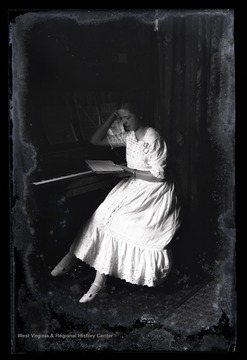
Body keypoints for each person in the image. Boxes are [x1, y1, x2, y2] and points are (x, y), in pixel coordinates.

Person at [51, 97, 181, 303]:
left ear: (141, 115)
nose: (124, 122)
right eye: (121, 118)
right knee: (101, 215)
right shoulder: (129, 136)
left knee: (118, 222)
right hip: (134, 185)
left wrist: (130, 171)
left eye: (127, 117)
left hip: (153, 191)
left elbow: (159, 175)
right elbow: (95, 140)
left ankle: (99, 282)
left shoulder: (152, 137)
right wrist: (112, 117)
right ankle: (72, 256)